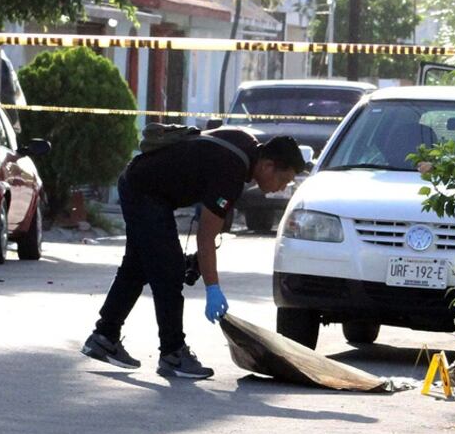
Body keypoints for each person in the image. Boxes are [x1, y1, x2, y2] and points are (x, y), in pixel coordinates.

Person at [81, 128, 305, 379]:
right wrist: (213, 287)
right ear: (268, 166)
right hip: (145, 192)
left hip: (140, 182)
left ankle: (104, 336)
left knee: (137, 267)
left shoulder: (245, 143)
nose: (281, 189)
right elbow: (205, 235)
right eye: (283, 181)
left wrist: (201, 261)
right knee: (169, 273)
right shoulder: (232, 170)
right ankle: (173, 353)